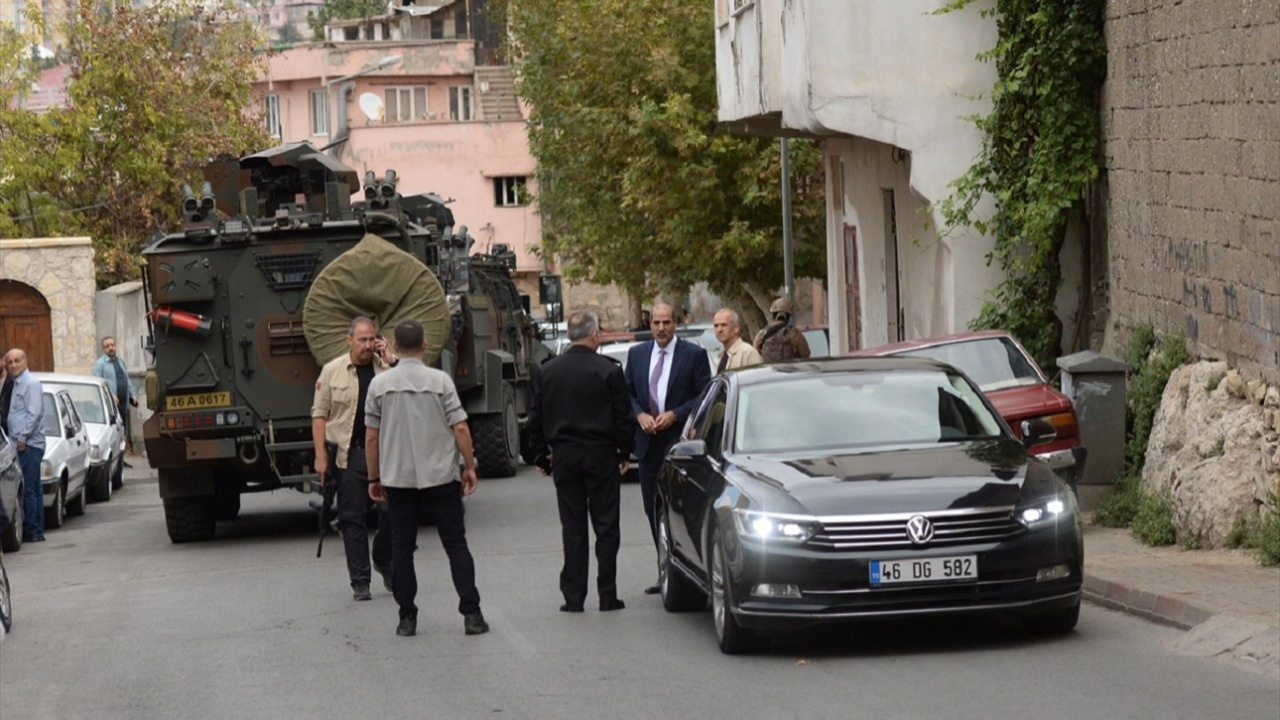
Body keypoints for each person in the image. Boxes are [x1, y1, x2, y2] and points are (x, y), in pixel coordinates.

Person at [365, 319, 489, 638]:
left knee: (402, 548)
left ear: (394, 345)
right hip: (441, 476)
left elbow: (371, 438)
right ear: (423, 346)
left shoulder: (379, 386)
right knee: (456, 544)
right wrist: (470, 465)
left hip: (398, 477)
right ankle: (471, 614)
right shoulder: (441, 381)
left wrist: (374, 477)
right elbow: (460, 427)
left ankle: (407, 617)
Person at [527, 310, 635, 613]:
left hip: (565, 456)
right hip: (601, 455)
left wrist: (541, 456)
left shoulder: (548, 371)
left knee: (572, 527)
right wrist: (624, 452)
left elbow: (535, 418)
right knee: (606, 526)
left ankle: (573, 598)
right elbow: (623, 418)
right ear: (595, 334)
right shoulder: (609, 370)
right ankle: (607, 594)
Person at [624, 303, 711, 594]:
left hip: (680, 445)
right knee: (653, 509)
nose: (661, 328)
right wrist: (640, 415)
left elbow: (704, 395)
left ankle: (688, 570)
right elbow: (628, 393)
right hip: (648, 445)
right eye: (656, 323)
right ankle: (665, 570)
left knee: (681, 508)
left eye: (667, 323)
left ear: (676, 324)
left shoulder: (693, 355)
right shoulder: (636, 355)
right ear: (650, 325)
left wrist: (676, 414)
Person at [311, 317, 396, 601]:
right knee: (352, 518)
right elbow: (319, 415)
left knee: (392, 513)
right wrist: (321, 457)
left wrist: (393, 361)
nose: (368, 345)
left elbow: (409, 389)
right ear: (349, 340)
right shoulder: (332, 371)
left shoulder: (387, 370)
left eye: (372, 339)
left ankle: (383, 559)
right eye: (362, 339)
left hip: (385, 453)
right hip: (350, 454)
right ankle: (360, 580)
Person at [4, 349, 46, 543]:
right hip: (22, 443)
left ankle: (32, 530)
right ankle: (36, 530)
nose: (13, 365)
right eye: (10, 362)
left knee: (29, 489)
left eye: (17, 361)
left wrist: (21, 439)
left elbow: (33, 414)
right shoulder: (16, 384)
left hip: (28, 444)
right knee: (33, 488)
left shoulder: (30, 384)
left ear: (25, 362)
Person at [92, 336, 138, 464]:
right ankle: (114, 461)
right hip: (110, 406)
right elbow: (98, 384)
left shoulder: (120, 361)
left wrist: (133, 394)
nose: (111, 348)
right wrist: (110, 396)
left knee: (122, 432)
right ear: (104, 349)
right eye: (107, 346)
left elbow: (127, 379)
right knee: (113, 433)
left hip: (124, 403)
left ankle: (122, 460)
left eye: (112, 345)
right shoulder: (100, 364)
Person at [753, 297, 811, 362]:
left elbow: (755, 356)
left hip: (768, 371)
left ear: (773, 314)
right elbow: (806, 354)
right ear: (788, 316)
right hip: (790, 371)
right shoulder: (795, 334)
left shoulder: (761, 334)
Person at [712, 308, 763, 373]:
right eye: (716, 326)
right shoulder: (722, 355)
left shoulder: (748, 353)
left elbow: (758, 379)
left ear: (736, 328)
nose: (719, 330)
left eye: (724, 325)